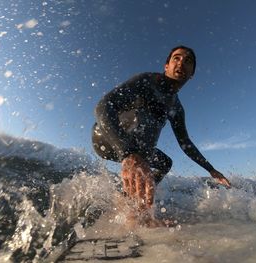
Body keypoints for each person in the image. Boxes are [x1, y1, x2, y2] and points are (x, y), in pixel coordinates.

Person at [92, 45, 231, 215]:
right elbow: (103, 106)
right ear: (166, 66)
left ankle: (130, 202)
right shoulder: (147, 81)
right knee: (145, 132)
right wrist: (128, 153)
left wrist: (211, 169)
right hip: (106, 135)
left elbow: (185, 142)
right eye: (176, 58)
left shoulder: (177, 107)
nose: (181, 63)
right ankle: (134, 206)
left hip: (136, 147)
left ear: (192, 74)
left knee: (165, 163)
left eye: (188, 61)